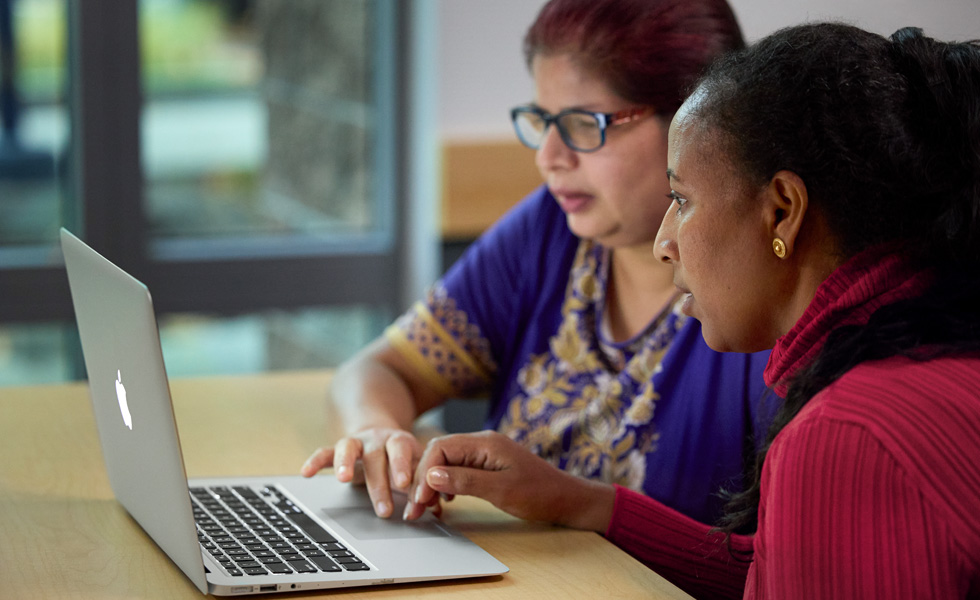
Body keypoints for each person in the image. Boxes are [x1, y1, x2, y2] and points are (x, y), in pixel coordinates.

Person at [405, 22, 980, 599]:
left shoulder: (843, 432)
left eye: (681, 199)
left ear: (783, 211)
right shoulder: (929, 340)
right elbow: (784, 569)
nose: (664, 242)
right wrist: (580, 502)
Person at [301, 0, 773, 528]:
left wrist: (576, 503)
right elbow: (375, 371)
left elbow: (772, 566)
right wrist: (376, 434)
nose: (549, 156)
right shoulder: (552, 229)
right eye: (544, 121)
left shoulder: (759, 294)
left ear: (697, 122)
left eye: (582, 124)